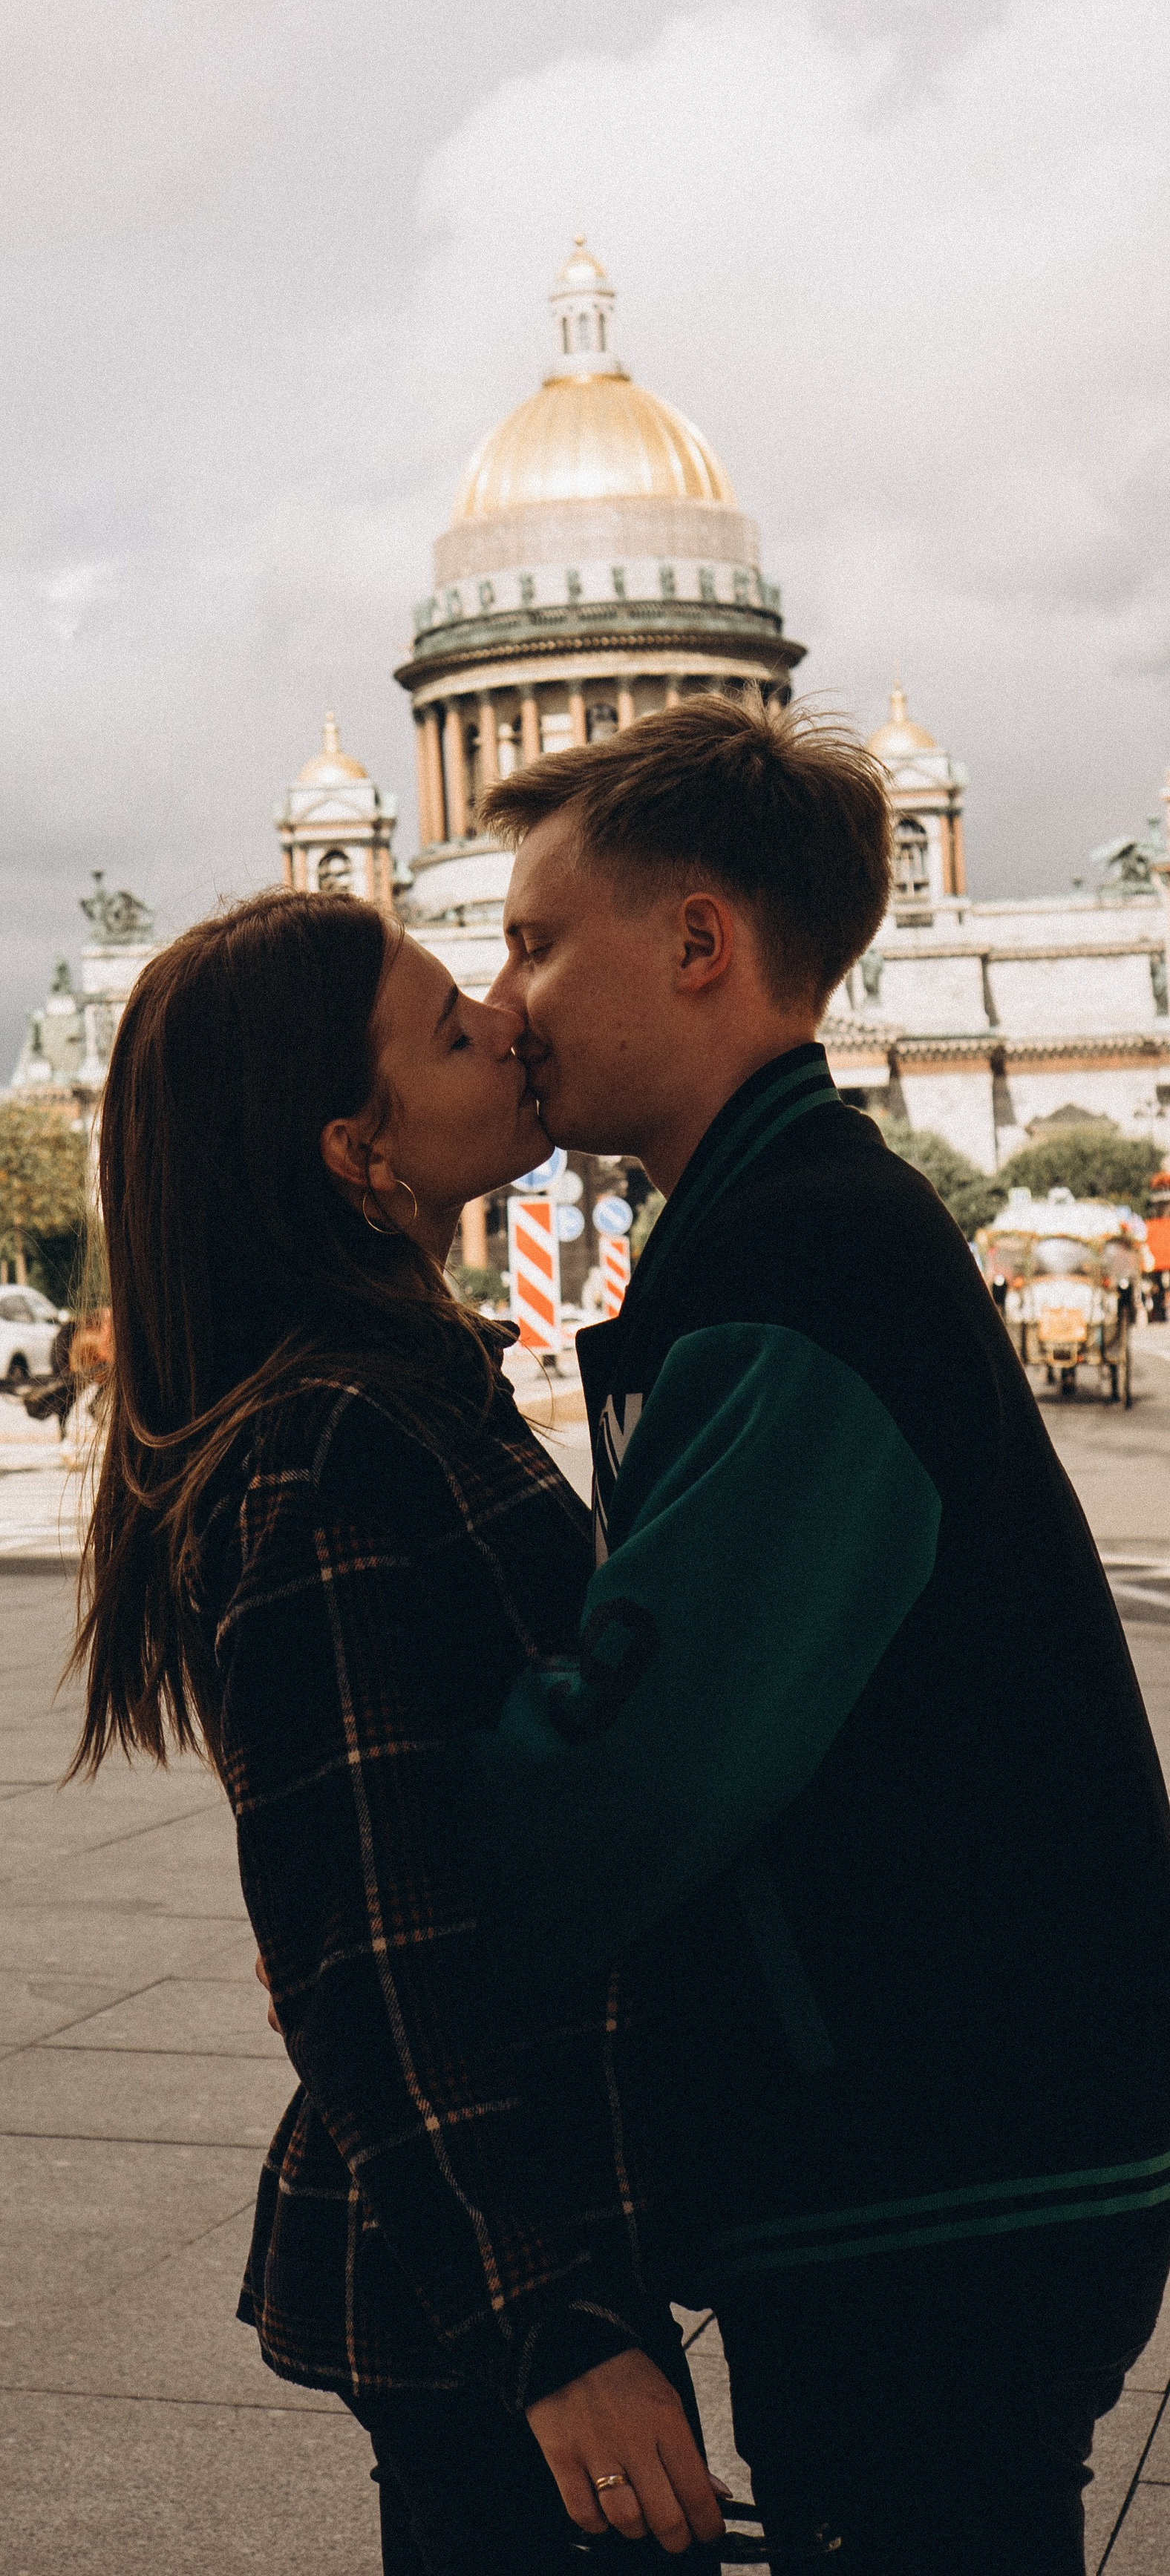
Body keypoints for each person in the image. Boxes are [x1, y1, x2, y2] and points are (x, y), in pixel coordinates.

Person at [471, 695, 1170, 2573]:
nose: (505, 993)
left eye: (537, 938)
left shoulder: (795, 1260)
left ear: (698, 943)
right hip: (968, 2132)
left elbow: (632, 1778)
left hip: (931, 2162)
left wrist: (406, 1812)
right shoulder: (789, 1224)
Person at [69, 888, 730, 2570]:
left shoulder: (377, 1392)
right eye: (450, 1027)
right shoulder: (333, 1443)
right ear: (357, 1153)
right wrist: (552, 2330)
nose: (509, 1021)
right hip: (496, 2272)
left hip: (506, 2235)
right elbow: (363, 1943)